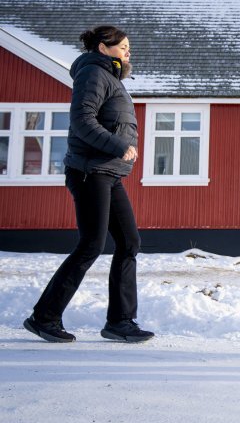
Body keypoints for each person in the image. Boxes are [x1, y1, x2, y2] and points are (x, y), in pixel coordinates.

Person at [24, 26, 154, 343]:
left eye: (128, 47)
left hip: (107, 173)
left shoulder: (110, 78)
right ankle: (44, 317)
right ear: (102, 48)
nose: (128, 51)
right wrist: (117, 145)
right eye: (122, 46)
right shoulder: (93, 73)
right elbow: (82, 120)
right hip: (89, 171)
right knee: (91, 245)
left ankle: (120, 322)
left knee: (128, 243)